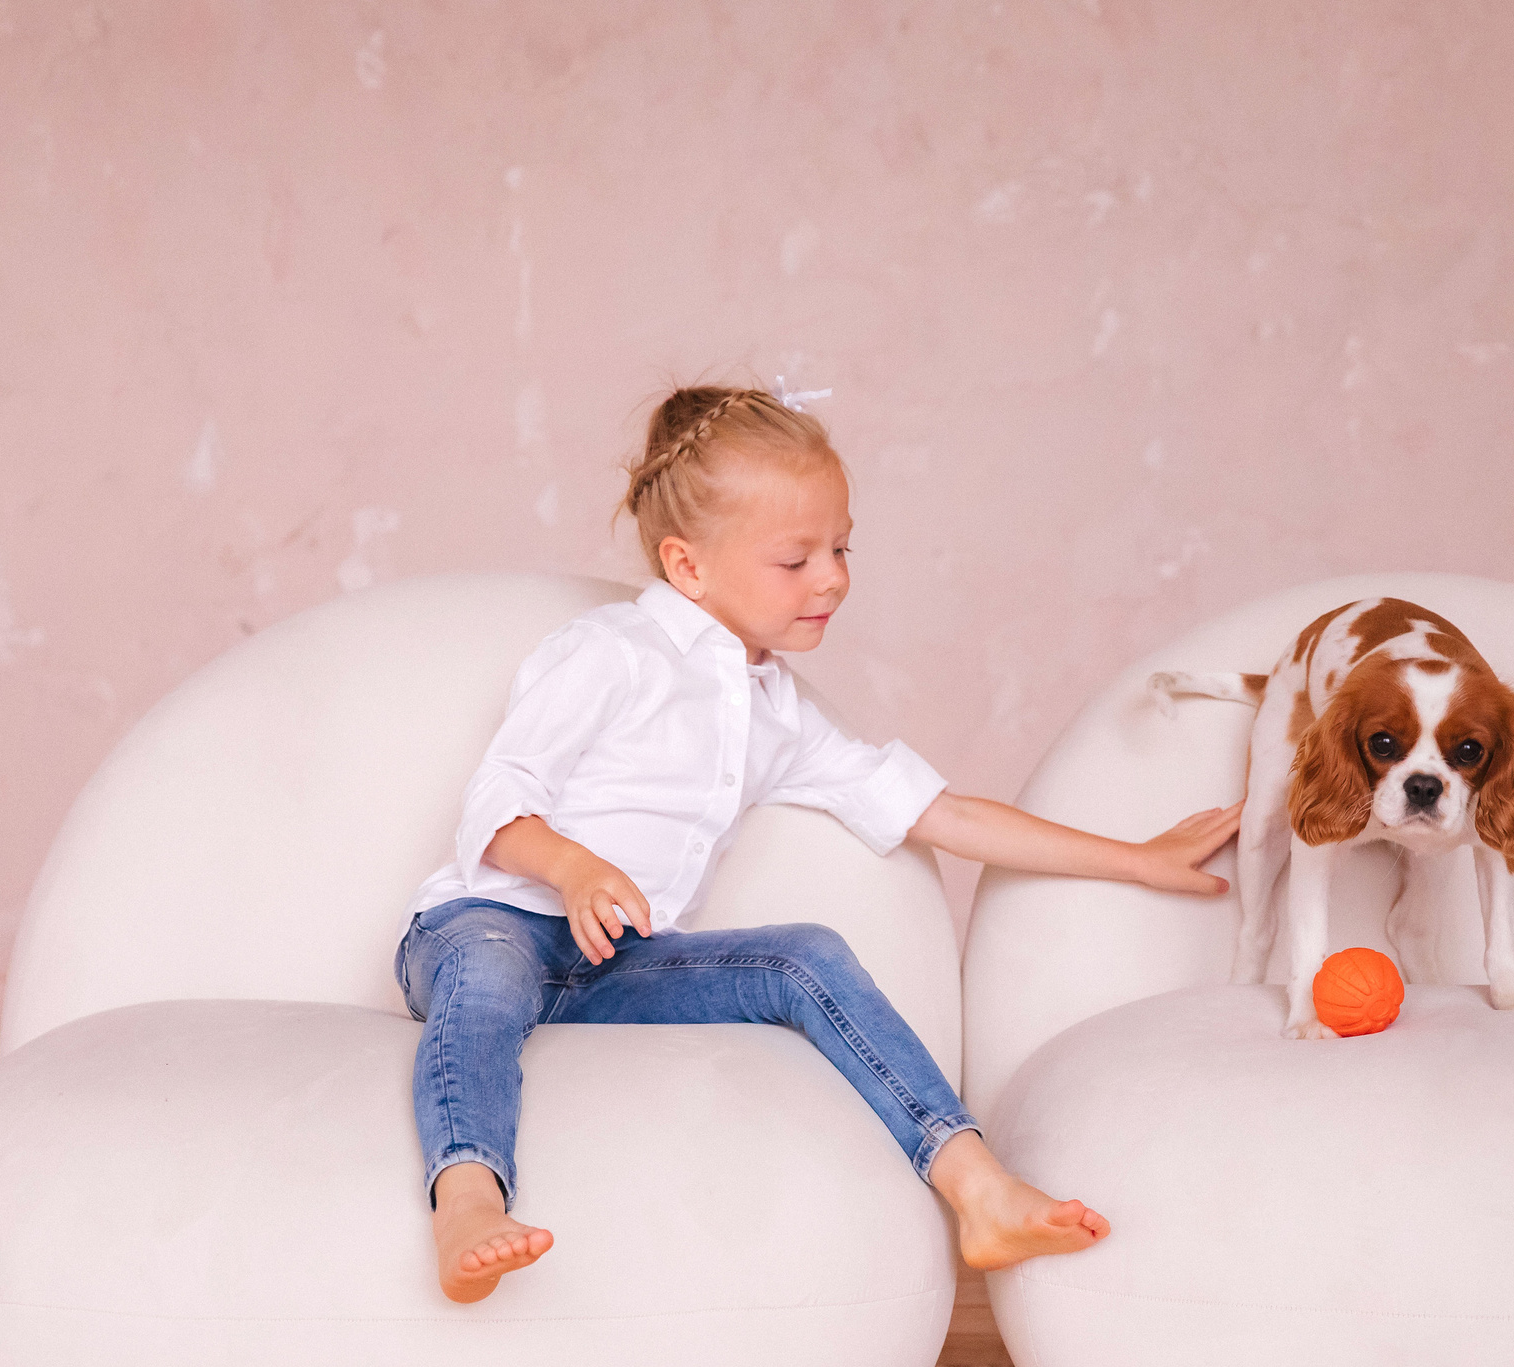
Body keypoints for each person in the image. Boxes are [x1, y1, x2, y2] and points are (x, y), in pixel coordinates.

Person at [399, 383, 1240, 1301]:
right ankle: (469, 1198)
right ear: (688, 566)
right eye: (796, 559)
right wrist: (576, 867)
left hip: (615, 968)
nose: (833, 578)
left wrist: (1136, 857)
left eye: (841, 548)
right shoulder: (612, 654)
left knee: (808, 956)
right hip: (491, 925)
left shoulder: (774, 713)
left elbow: (941, 814)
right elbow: (497, 804)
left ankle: (977, 1185)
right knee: (488, 970)